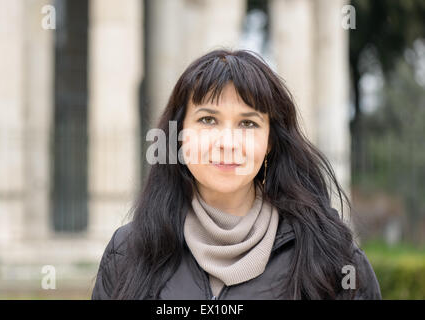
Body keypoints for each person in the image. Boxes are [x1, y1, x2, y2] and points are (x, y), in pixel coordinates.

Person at [91, 49, 382, 300]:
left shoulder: (330, 257)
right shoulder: (129, 253)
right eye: (208, 120)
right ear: (178, 136)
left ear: (270, 142)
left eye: (248, 124)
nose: (227, 143)